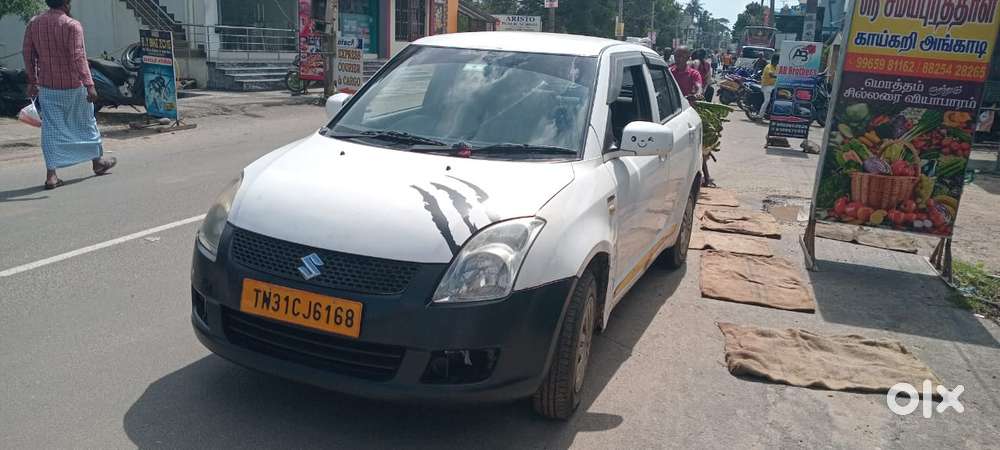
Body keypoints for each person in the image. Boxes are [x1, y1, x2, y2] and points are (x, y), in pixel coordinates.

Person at [22, 0, 116, 190]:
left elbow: (28, 53)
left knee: (51, 129)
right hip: (74, 86)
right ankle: (97, 162)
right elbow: (78, 56)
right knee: (86, 123)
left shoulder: (34, 23)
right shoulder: (72, 25)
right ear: (66, 3)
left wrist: (33, 80)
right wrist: (90, 84)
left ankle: (51, 175)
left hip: (48, 87)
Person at [758, 54, 779, 119]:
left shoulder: (777, 67)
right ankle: (760, 116)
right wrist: (779, 77)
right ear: (774, 60)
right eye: (777, 60)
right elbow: (771, 75)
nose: (778, 62)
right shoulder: (768, 66)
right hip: (766, 86)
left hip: (773, 86)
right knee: (767, 100)